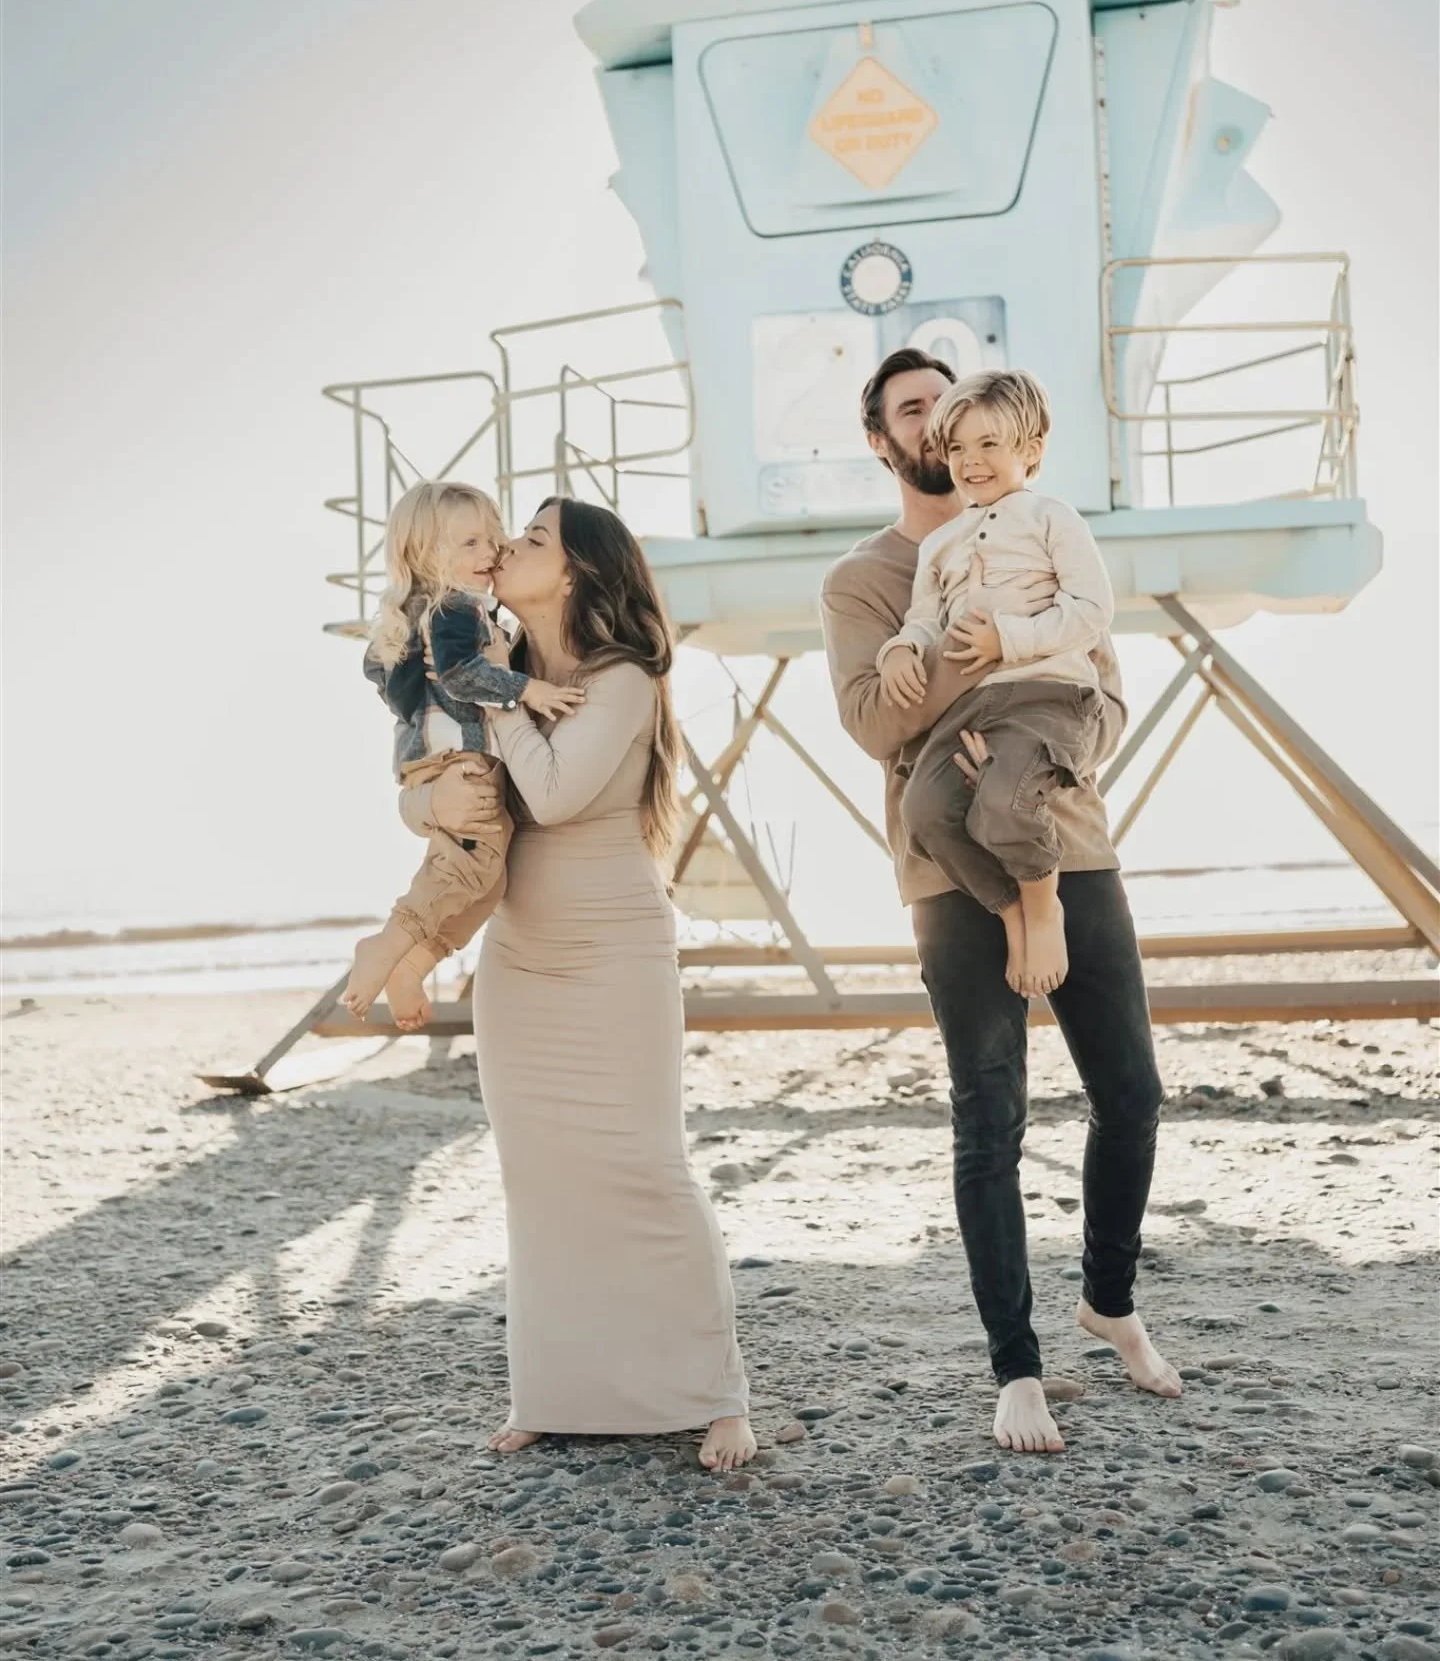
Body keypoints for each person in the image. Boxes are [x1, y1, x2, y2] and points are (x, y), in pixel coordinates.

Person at [820, 348, 1179, 1456]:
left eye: (958, 408)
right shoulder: (867, 576)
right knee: (991, 1116)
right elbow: (873, 722)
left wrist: (1019, 726)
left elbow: (1101, 690)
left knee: (1132, 1093)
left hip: (1068, 840)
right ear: (886, 440)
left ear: (1013, 438)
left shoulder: (1046, 527)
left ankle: (1108, 1300)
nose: (944, 429)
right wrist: (951, 681)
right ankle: (1016, 1368)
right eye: (918, 413)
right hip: (944, 870)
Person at [401, 496, 755, 1473]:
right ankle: (557, 1393)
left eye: (533, 538)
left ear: (576, 572)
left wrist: (498, 696)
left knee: (646, 1167)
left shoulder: (623, 678)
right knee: (541, 1178)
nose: (506, 546)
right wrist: (430, 790)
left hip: (614, 953)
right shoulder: (486, 658)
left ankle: (717, 1393)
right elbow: (434, 789)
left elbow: (554, 795)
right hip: (520, 956)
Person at [877, 369, 1116, 999]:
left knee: (1005, 802)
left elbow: (1092, 610)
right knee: (923, 812)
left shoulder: (1052, 518)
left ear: (1030, 449)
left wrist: (1006, 640)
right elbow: (925, 618)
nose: (970, 461)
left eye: (989, 444)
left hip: (1048, 696)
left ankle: (1044, 909)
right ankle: (1011, 910)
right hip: (973, 707)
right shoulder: (939, 544)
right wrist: (901, 649)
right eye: (957, 447)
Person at [342, 481, 584, 1027]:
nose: (490, 552)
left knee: (486, 880)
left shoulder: (436, 612)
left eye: (492, 539)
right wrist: (526, 688)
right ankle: (388, 944)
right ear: (424, 554)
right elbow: (458, 675)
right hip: (460, 761)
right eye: (469, 543)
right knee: (467, 871)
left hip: (438, 761)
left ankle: (414, 962)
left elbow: (382, 672)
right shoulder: (455, 608)